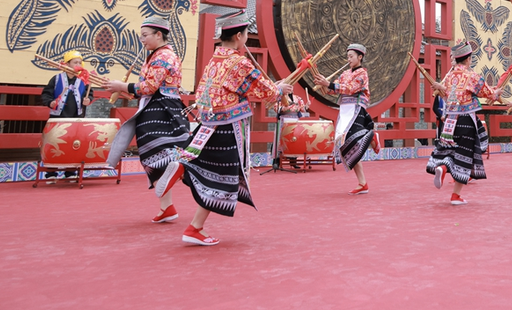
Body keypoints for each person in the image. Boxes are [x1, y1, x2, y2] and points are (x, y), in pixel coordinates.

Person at [155, 13, 292, 246]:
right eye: (246, 35)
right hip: (228, 127)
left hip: (208, 124)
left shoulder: (214, 59)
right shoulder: (240, 62)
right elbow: (266, 92)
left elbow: (237, 89)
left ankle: (193, 217)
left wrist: (274, 88)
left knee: (216, 176)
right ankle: (185, 176)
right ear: (239, 36)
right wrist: (280, 90)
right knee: (224, 178)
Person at [105, 17, 190, 223]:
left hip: (162, 110)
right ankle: (167, 207)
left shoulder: (164, 57)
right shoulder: (154, 56)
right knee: (151, 157)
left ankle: (180, 169)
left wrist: (122, 87)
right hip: (153, 108)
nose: (142, 40)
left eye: (145, 35)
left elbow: (149, 87)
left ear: (158, 35)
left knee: (159, 151)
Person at [425, 41, 497, 205]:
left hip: (450, 121)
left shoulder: (449, 77)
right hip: (465, 120)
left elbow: (447, 97)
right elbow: (488, 93)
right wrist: (496, 93)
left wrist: (440, 87)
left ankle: (443, 168)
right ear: (469, 59)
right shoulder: (472, 76)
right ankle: (455, 195)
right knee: (465, 155)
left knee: (450, 151)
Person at [313, 43, 379, 194]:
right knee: (346, 145)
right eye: (347, 56)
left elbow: (350, 89)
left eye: (351, 56)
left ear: (360, 57)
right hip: (345, 109)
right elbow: (332, 89)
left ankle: (372, 136)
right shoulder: (344, 74)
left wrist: (328, 84)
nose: (348, 59)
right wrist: (323, 83)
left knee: (351, 138)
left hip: (356, 108)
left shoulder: (362, 73)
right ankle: (363, 183)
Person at [39, 50, 92, 181]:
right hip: (58, 116)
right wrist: (49, 102)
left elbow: (89, 95)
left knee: (74, 144)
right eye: (75, 62)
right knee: (54, 144)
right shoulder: (57, 78)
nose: (78, 64)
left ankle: (71, 172)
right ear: (67, 64)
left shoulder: (83, 80)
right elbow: (46, 94)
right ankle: (51, 173)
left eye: (80, 62)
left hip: (76, 117)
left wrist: (88, 100)